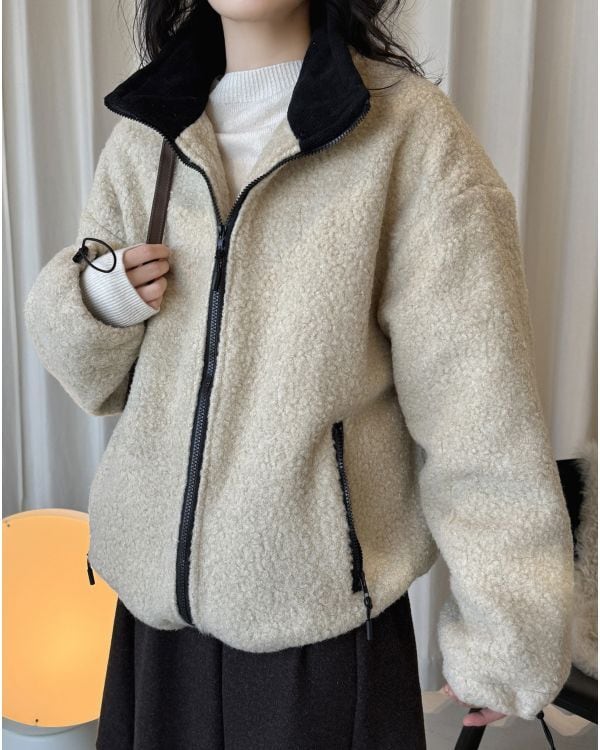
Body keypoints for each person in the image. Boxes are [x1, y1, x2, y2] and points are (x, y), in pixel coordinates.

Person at [23, 0, 574, 748]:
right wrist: (93, 302)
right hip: (156, 630)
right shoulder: (149, 132)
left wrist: (506, 633)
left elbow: (480, 410)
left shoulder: (406, 134)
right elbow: (98, 382)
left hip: (319, 633)